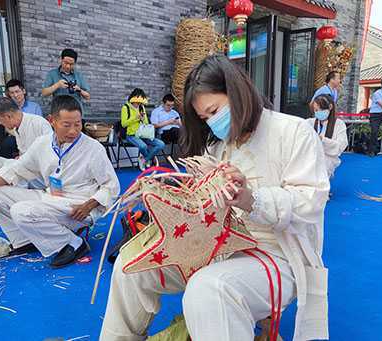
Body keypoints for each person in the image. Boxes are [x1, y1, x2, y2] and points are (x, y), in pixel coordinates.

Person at [100, 55, 329, 341]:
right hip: (216, 245)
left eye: (214, 111)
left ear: (237, 91)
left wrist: (250, 198)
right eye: (205, 118)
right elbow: (203, 207)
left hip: (277, 254)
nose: (212, 123)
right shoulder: (219, 146)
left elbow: (310, 201)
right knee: (130, 265)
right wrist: (174, 198)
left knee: (209, 288)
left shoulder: (293, 131)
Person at [0, 95, 120, 269]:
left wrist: (89, 205)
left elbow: (111, 186)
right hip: (50, 197)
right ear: (52, 121)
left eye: (77, 124)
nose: (73, 131)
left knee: (21, 211)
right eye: (66, 125)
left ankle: (73, 243)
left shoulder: (93, 148)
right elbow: (16, 170)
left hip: (77, 206)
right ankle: (25, 240)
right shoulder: (42, 144)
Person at [0, 98, 53, 188]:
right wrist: (21, 158)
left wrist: (24, 161)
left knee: (14, 168)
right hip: (25, 169)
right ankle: (9, 191)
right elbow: (23, 153)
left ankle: (18, 192)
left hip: (39, 174)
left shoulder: (39, 123)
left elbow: (51, 155)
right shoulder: (17, 127)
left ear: (8, 116)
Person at [121, 88, 165, 170]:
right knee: (143, 146)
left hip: (143, 134)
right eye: (137, 101)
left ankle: (144, 159)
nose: (138, 103)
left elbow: (146, 123)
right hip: (131, 135)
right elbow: (124, 124)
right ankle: (147, 159)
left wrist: (143, 119)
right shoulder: (125, 107)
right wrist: (136, 118)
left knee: (161, 144)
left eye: (140, 101)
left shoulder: (142, 107)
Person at [306, 94, 348, 178]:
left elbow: (341, 146)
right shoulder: (309, 122)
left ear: (330, 107)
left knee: (322, 169)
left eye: (320, 109)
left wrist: (323, 140)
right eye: (315, 110)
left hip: (328, 158)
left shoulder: (339, 124)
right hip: (311, 156)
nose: (317, 113)